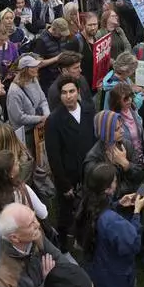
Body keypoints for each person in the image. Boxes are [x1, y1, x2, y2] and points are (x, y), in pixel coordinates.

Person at [75, 162, 144, 287]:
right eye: (114, 181)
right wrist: (137, 212)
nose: (116, 183)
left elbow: (99, 214)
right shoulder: (111, 221)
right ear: (107, 188)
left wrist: (118, 204)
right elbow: (133, 244)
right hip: (115, 284)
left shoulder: (87, 205)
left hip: (97, 275)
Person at [47, 76, 97, 250]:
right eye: (64, 93)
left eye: (71, 91)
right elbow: (53, 155)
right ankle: (62, 246)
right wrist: (64, 184)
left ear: (78, 92)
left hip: (89, 171)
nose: (68, 96)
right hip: (68, 175)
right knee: (65, 214)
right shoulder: (54, 120)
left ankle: (83, 238)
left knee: (90, 209)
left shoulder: (89, 110)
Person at [0, 149, 48, 245]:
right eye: (16, 163)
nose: (19, 164)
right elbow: (43, 213)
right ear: (9, 174)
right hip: (25, 244)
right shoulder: (23, 190)